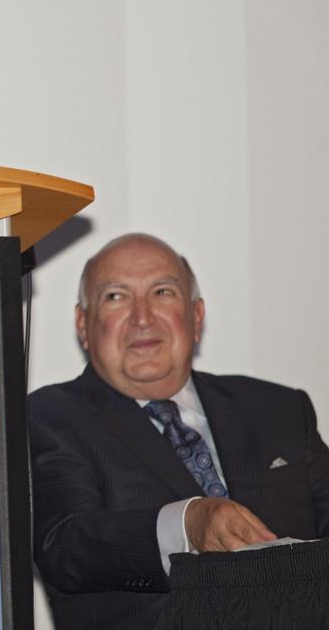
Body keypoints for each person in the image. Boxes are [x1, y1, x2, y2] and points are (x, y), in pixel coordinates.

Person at [29, 233, 329, 629]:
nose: (142, 317)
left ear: (197, 315)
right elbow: (65, 546)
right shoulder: (49, 416)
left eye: (163, 292)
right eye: (116, 297)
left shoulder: (279, 409)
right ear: (84, 325)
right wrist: (185, 524)